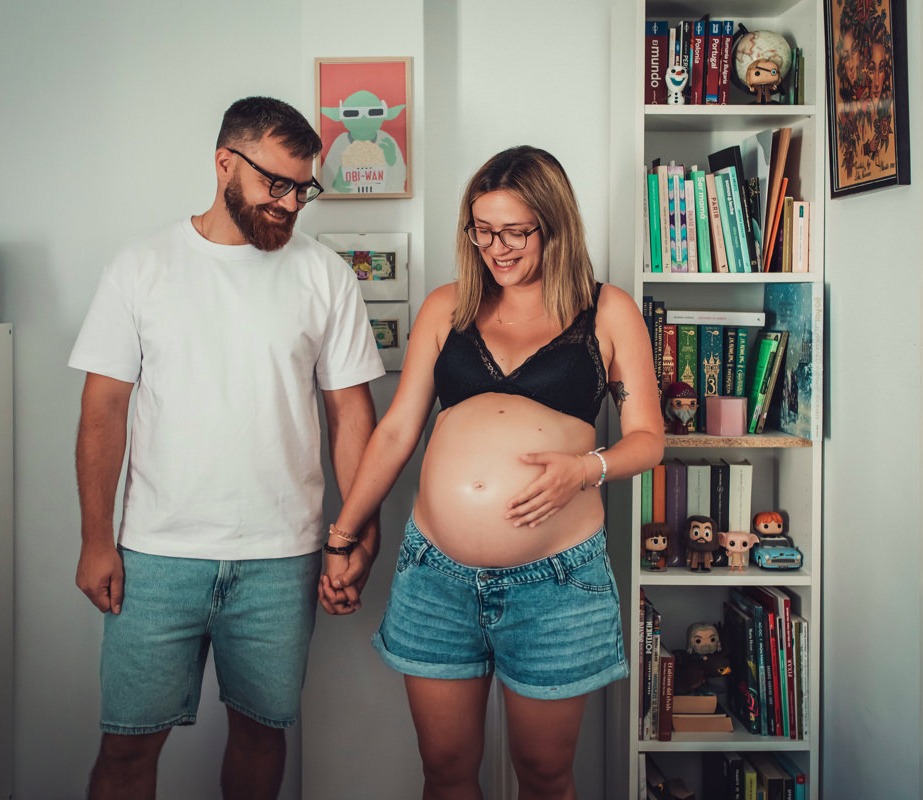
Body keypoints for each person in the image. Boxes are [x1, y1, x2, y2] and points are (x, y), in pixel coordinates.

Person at [318, 146, 664, 798]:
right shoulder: (447, 307)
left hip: (556, 584)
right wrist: (343, 536)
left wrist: (584, 470)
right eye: (481, 229)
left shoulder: (606, 311)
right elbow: (396, 431)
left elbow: (648, 441)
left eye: (514, 231)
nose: (495, 247)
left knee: (544, 776)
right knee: (445, 773)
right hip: (435, 576)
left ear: (554, 225)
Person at [69, 96, 384, 800]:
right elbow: (102, 415)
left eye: (303, 188)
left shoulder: (325, 274)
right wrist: (96, 539)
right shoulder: (141, 266)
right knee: (125, 748)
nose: (291, 203)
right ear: (223, 164)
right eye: (277, 183)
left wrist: (358, 530)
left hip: (281, 559)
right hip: (155, 556)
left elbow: (351, 417)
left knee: (261, 737)